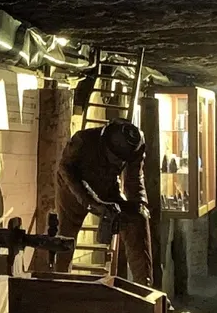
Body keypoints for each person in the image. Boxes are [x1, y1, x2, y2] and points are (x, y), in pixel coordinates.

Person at [55, 120, 153, 285]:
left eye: (121, 160)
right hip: (74, 189)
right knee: (66, 236)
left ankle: (145, 285)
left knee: (138, 217)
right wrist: (93, 203)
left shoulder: (136, 145)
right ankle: (59, 284)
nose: (118, 163)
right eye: (114, 158)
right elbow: (66, 171)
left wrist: (139, 204)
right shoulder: (82, 140)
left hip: (108, 187)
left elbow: (134, 179)